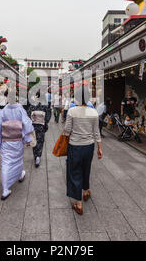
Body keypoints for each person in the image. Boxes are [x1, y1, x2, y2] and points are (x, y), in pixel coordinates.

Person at [63, 86, 103, 215]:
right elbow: (96, 132)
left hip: (75, 146)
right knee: (86, 168)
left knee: (75, 171)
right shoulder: (94, 112)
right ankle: (86, 191)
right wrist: (100, 148)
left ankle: (78, 203)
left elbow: (67, 130)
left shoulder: (72, 111)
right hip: (89, 146)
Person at [0, 89, 34, 200]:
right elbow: (26, 124)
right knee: (17, 159)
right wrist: (27, 138)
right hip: (17, 140)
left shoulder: (3, 111)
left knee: (6, 163)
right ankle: (9, 184)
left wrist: (0, 138)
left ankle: (6, 187)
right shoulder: (20, 109)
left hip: (7, 140)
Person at [27, 91, 51, 167]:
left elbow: (28, 115)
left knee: (34, 140)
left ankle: (35, 155)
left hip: (33, 126)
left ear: (36, 97)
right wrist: (45, 121)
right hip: (41, 127)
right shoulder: (45, 106)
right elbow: (48, 117)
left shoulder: (32, 106)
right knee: (40, 141)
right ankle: (38, 156)